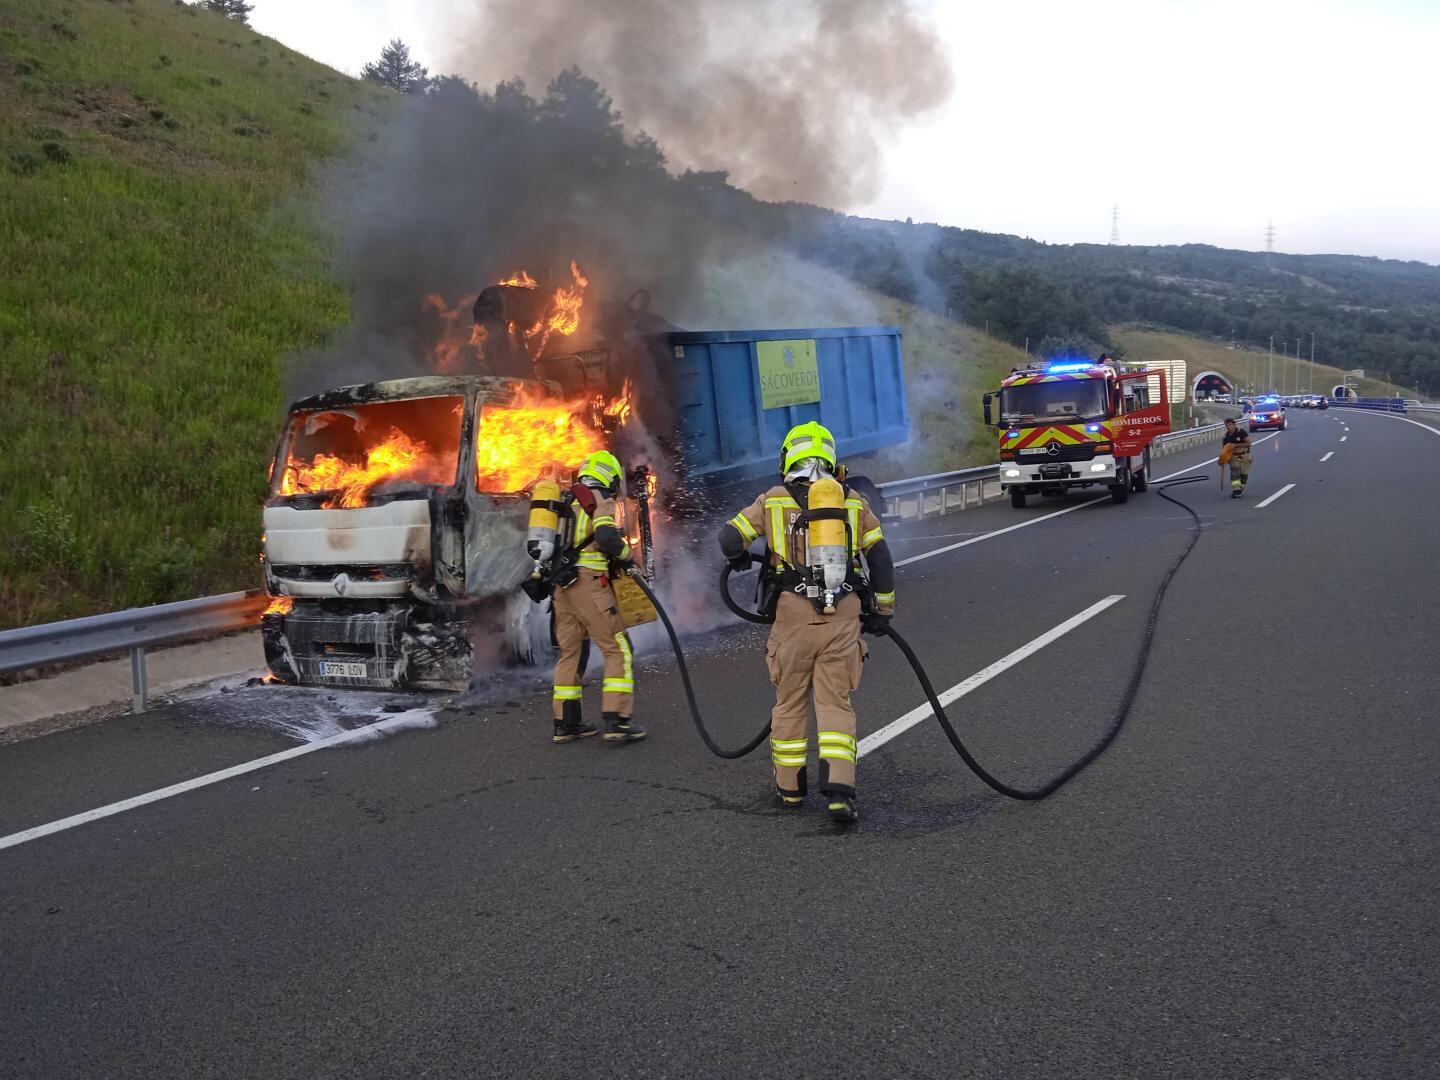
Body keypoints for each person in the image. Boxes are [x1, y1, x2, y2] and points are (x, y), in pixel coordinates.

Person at [716, 422, 896, 824]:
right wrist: (883, 611)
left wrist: (739, 557)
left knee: (790, 701)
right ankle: (839, 792)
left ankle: (791, 790)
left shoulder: (773, 501)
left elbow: (729, 538)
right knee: (835, 702)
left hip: (793, 616)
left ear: (787, 459)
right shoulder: (853, 501)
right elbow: (880, 558)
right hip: (843, 613)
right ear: (831, 460)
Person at [546, 450, 646, 744]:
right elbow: (605, 538)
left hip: (561, 590)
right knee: (618, 648)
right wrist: (628, 556)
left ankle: (566, 724)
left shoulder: (565, 502)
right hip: (590, 585)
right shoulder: (602, 501)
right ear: (611, 477)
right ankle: (617, 721)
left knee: (570, 654)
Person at [1221, 418, 1250, 497]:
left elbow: (1248, 443)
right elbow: (1224, 448)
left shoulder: (1241, 432)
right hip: (1233, 457)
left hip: (1245, 455)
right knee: (1234, 471)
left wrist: (1236, 445)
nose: (1228, 427)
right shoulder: (1226, 436)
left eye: (1230, 425)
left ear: (1234, 425)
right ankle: (1236, 490)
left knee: (1244, 475)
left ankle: (1241, 487)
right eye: (1226, 425)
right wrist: (1222, 458)